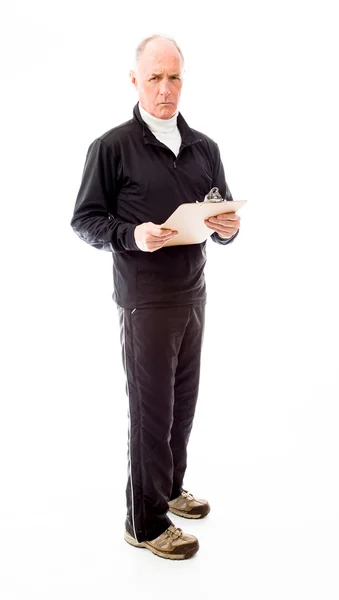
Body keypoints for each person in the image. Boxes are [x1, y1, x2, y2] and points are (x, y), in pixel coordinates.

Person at [70, 34, 240, 560]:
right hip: (145, 298)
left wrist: (228, 228)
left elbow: (221, 215)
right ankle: (144, 524)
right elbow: (86, 220)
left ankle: (169, 489)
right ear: (134, 80)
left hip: (194, 294)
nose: (165, 90)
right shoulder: (111, 147)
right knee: (152, 410)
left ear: (183, 80)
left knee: (181, 407)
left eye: (174, 78)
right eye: (154, 78)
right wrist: (132, 235)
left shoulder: (203, 147)